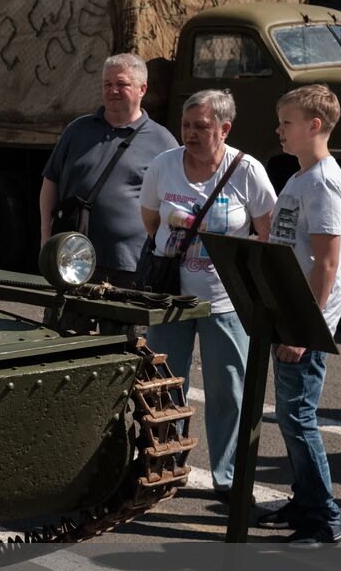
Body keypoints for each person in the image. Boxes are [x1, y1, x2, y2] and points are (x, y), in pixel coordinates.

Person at [140, 89, 276, 503]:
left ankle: (228, 477)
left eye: (201, 127)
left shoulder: (246, 170)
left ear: (224, 128)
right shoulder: (164, 165)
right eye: (186, 126)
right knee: (164, 389)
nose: (191, 134)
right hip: (171, 302)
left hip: (225, 302)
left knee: (227, 393)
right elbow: (150, 222)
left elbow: (267, 234)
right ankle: (165, 468)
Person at [255, 85, 341, 547]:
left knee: (298, 416)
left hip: (304, 322)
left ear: (314, 126)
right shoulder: (299, 178)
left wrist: (303, 327)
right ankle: (303, 499)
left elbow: (327, 263)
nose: (279, 129)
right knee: (292, 416)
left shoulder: (324, 183)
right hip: (287, 313)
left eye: (287, 122)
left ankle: (324, 518)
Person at [39, 53, 179, 286]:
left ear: (142, 89)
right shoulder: (77, 130)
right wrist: (45, 238)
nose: (113, 90)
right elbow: (50, 182)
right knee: (65, 323)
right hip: (72, 258)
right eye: (107, 84)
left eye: (122, 84)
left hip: (129, 265)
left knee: (122, 323)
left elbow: (174, 202)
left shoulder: (162, 142)